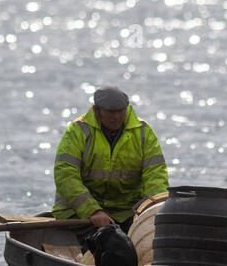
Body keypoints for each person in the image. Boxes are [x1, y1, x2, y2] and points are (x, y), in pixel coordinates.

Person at [52, 86, 169, 246]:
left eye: (121, 111)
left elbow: (156, 175)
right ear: (96, 110)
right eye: (110, 112)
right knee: (109, 243)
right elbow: (65, 176)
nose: (116, 117)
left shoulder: (143, 132)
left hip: (126, 213)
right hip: (79, 214)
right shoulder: (77, 132)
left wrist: (150, 212)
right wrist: (93, 211)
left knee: (150, 243)